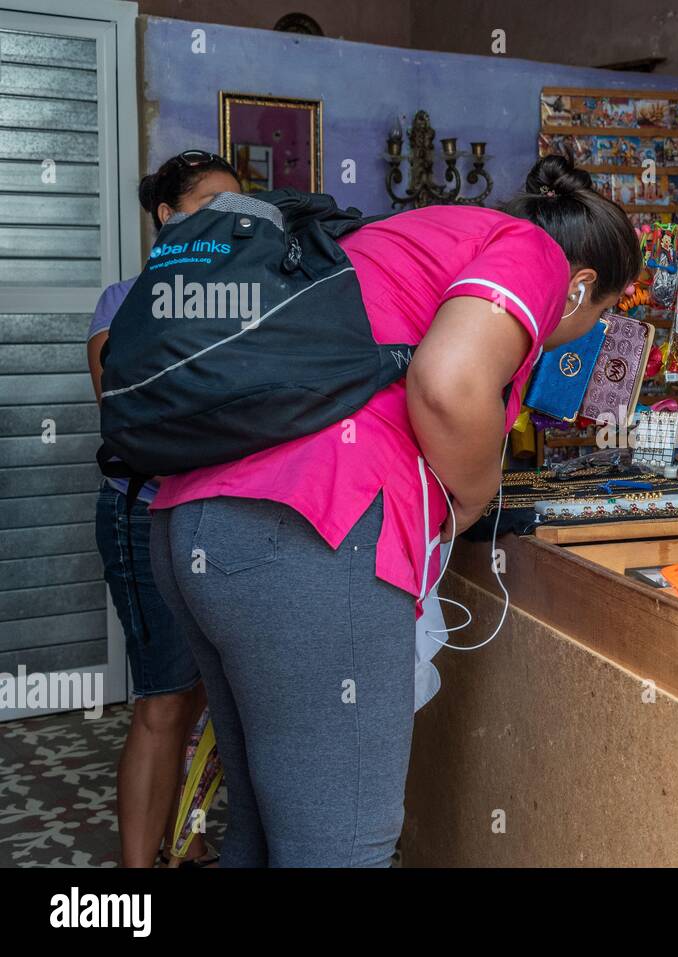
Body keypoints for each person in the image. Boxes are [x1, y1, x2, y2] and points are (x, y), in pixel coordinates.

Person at [145, 154, 641, 867]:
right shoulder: (534, 256)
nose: (590, 329)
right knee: (340, 848)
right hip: (307, 531)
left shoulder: (421, 231)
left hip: (194, 520)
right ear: (581, 287)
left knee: (262, 828)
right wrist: (472, 498)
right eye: (602, 312)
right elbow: (447, 382)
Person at [87, 148, 242, 868]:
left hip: (217, 519)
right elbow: (127, 412)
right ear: (167, 216)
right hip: (144, 514)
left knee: (213, 698)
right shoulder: (124, 301)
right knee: (163, 698)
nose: (228, 224)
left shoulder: (245, 300)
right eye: (210, 206)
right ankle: (135, 874)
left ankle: (185, 832)